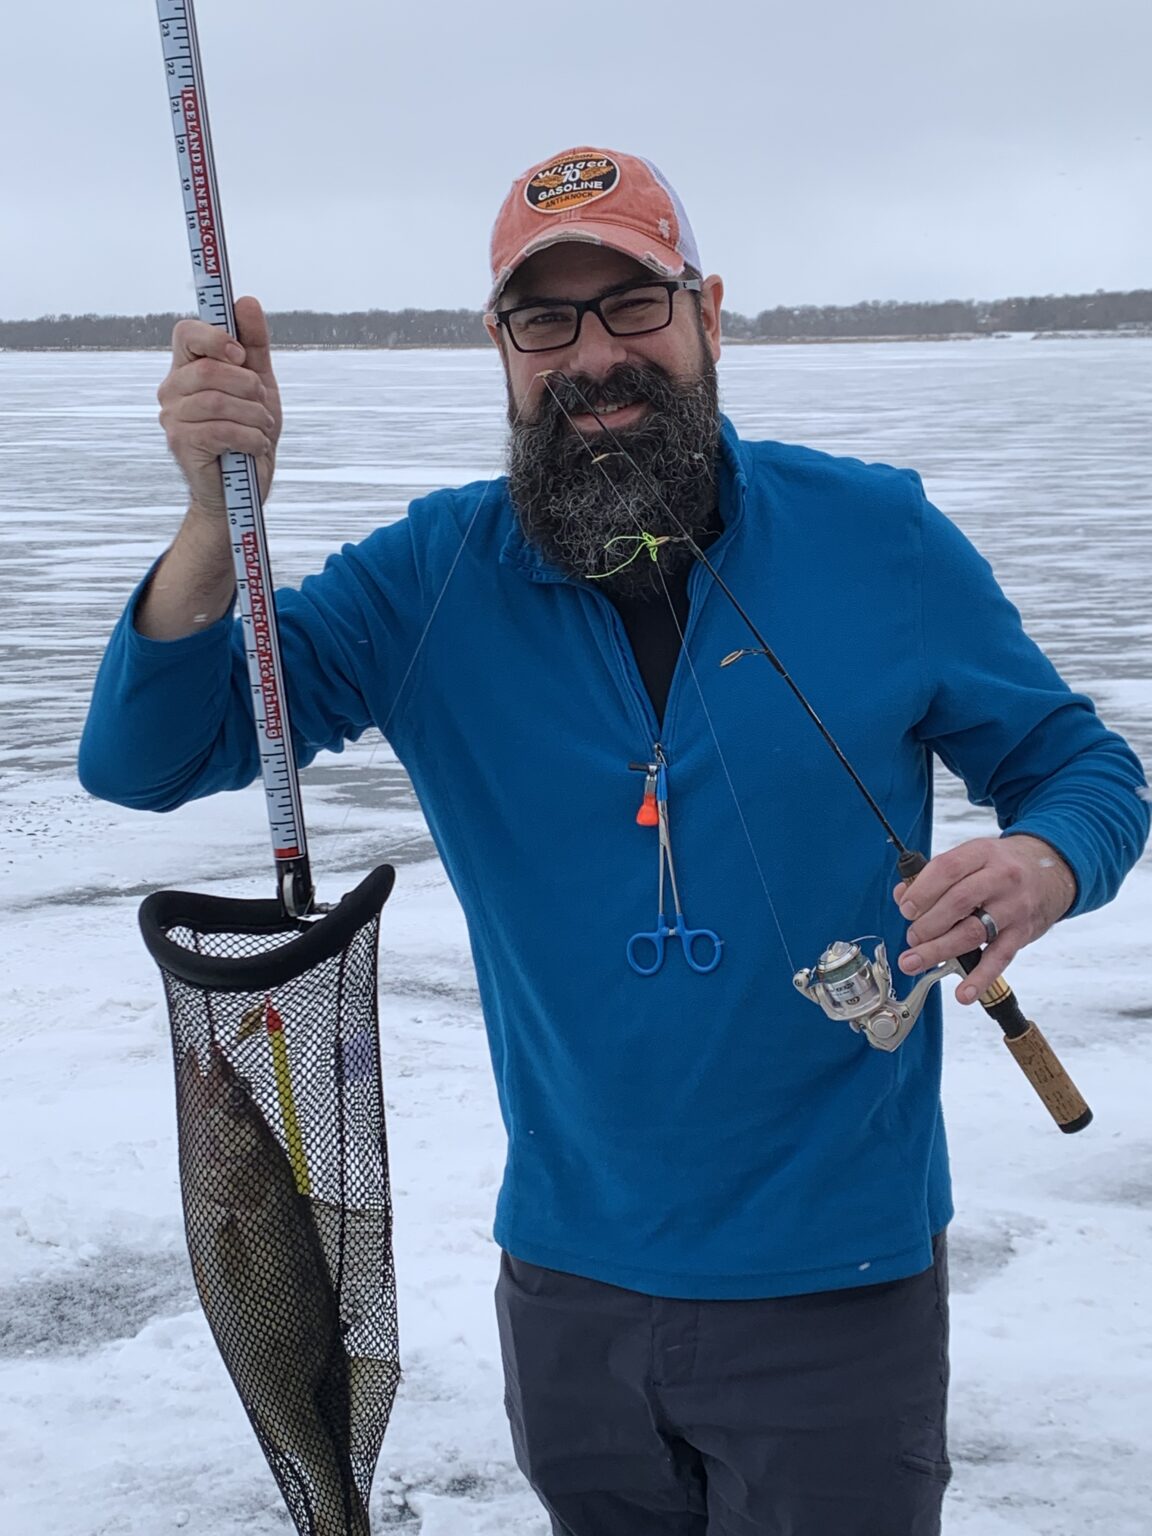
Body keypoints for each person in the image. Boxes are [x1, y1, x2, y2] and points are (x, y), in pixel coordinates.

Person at [79, 146, 1149, 1536]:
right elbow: (151, 756)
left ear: (708, 312)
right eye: (546, 320)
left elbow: (1083, 767)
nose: (595, 356)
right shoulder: (430, 576)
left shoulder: (877, 537)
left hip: (838, 1284)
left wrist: (1044, 860)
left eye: (633, 305)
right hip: (570, 1291)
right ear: (503, 350)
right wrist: (211, 527)